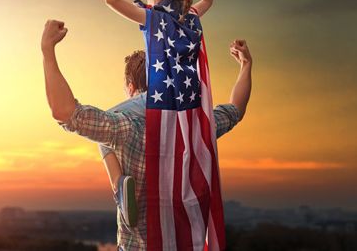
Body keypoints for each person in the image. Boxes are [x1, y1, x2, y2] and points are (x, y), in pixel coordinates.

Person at [41, 19, 252, 250]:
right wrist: (246, 66)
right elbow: (235, 111)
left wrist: (47, 50)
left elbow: (65, 112)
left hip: (137, 246)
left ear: (131, 87)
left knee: (104, 141)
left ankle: (118, 184)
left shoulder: (125, 126)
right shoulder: (194, 125)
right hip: (184, 243)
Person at [100, 0, 219, 227]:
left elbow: (112, 0)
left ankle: (119, 186)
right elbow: (208, 0)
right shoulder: (190, 18)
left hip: (161, 101)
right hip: (190, 105)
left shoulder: (156, 18)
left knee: (103, 131)